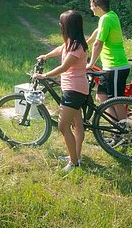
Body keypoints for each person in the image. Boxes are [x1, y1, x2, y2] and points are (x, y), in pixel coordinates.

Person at [35, 10, 89, 172]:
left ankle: (73, 163)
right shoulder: (72, 42)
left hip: (74, 90)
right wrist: (46, 56)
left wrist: (44, 75)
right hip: (74, 88)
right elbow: (61, 49)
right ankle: (76, 156)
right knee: (77, 124)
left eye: (61, 23)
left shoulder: (77, 46)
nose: (60, 25)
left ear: (68, 26)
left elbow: (64, 67)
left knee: (63, 126)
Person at [85, 0, 129, 120]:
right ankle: (117, 125)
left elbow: (98, 44)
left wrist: (91, 64)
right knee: (101, 97)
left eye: (91, 5)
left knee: (115, 101)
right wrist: (85, 43)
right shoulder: (111, 15)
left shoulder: (105, 18)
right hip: (109, 67)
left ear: (98, 7)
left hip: (115, 66)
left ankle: (126, 128)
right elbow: (98, 31)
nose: (90, 8)